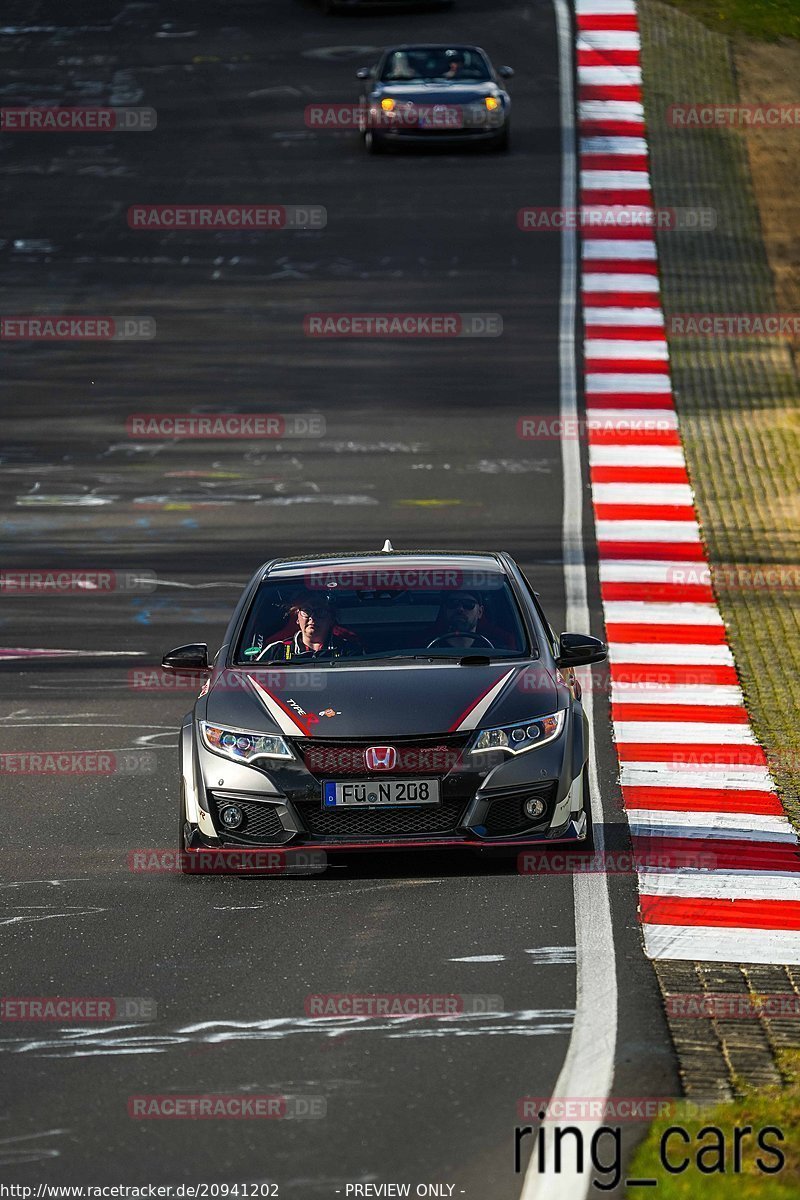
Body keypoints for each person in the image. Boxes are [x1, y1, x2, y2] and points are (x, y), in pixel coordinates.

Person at [257, 592, 363, 662]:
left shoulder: (348, 651)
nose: (312, 617)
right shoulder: (277, 651)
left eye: (320, 611)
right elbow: (251, 681)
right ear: (297, 618)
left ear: (331, 619)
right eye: (307, 611)